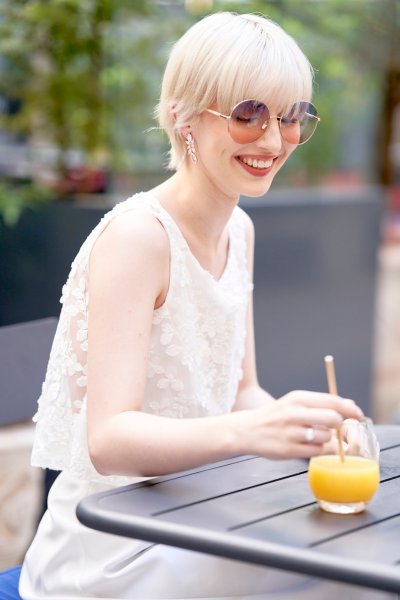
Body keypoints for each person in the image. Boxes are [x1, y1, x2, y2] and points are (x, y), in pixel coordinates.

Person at [19, 11, 372, 600]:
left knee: (348, 554)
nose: (272, 140)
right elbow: (108, 441)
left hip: (202, 512)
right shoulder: (138, 237)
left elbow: (241, 391)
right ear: (184, 117)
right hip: (115, 546)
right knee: (344, 576)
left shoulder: (241, 229)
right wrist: (250, 431)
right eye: (247, 115)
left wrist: (301, 426)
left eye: (290, 118)